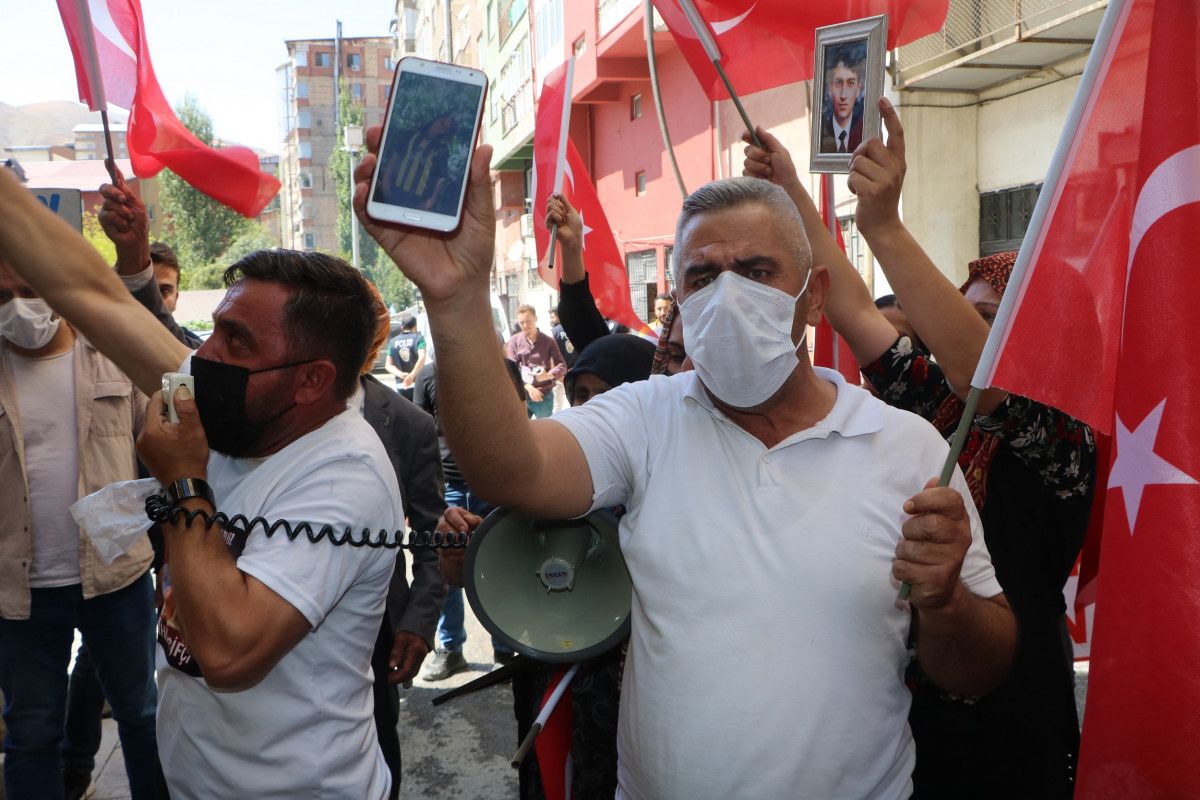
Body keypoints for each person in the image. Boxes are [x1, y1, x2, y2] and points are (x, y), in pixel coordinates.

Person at [353, 132, 1016, 798]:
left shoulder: (910, 450)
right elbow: (511, 469)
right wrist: (455, 298)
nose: (728, 295)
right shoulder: (644, 419)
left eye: (756, 271)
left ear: (815, 296)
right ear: (677, 298)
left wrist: (947, 600)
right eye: (702, 277)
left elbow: (981, 669)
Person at [0, 167, 405, 799]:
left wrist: (187, 479)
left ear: (310, 380)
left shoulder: (346, 472)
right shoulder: (240, 401)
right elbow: (91, 294)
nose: (203, 354)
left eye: (234, 340)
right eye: (214, 327)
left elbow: (229, 653)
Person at [743, 100, 1095, 798]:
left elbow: (986, 377)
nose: (955, 325)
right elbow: (852, 309)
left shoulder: (1064, 435)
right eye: (958, 309)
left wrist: (884, 224)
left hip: (1015, 709)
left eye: (984, 315)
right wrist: (788, 192)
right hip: (919, 700)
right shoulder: (942, 407)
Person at [0, 256, 161, 800]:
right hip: (19, 596)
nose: (20, 306)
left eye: (30, 285)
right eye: (3, 296)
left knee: (142, 714)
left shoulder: (111, 353)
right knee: (31, 734)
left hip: (117, 579)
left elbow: (167, 445)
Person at [356, 285, 446, 800]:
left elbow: (431, 532)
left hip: (376, 631)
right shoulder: (270, 408)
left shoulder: (408, 423)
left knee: (377, 752)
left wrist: (418, 618)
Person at [412, 347, 524, 679]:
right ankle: (450, 649)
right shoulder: (428, 375)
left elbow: (520, 419)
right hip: (446, 489)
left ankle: (506, 649)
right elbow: (420, 435)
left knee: (502, 566)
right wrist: (418, 495)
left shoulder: (505, 368)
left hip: (496, 486)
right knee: (445, 566)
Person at [98, 167, 204, 348]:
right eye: (144, 287)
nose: (153, 298)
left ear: (176, 298)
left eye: (163, 291)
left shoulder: (197, 355)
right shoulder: (95, 347)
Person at [505, 304, 565, 419]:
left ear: (536, 319)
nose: (525, 326)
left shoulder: (549, 342)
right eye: (521, 323)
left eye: (528, 321)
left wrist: (547, 375)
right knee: (520, 433)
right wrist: (529, 387)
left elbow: (562, 365)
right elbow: (510, 369)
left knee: (543, 433)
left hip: (543, 397)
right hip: (521, 396)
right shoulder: (514, 341)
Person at [820, 43, 865, 154]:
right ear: (830, 88)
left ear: (858, 89)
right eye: (839, 83)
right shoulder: (822, 133)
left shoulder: (864, 132)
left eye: (850, 83)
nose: (843, 95)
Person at [385, 314, 426, 400]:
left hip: (401, 385)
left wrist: (402, 375)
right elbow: (422, 358)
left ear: (402, 327)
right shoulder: (419, 339)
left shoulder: (392, 342)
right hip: (418, 384)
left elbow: (388, 365)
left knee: (405, 411)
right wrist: (411, 376)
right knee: (419, 411)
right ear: (415, 326)